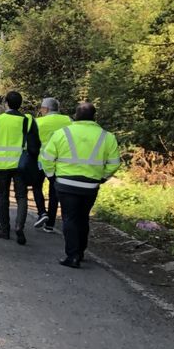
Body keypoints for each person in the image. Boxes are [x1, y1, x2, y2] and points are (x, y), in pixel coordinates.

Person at [39, 102, 121, 268]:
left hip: (65, 183)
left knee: (69, 217)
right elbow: (114, 163)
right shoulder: (107, 137)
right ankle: (81, 251)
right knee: (83, 217)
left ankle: (72, 255)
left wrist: (51, 176)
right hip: (90, 185)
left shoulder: (62, 133)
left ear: (75, 116)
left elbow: (47, 158)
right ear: (93, 116)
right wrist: (103, 177)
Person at [0, 91, 42, 245]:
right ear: (20, 104)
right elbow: (35, 144)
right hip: (20, 165)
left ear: (7, 104)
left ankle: (4, 229)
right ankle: (19, 225)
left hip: (1, 164)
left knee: (3, 197)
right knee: (21, 196)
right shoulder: (28, 120)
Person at [33, 97, 71, 233]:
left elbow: (33, 142)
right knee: (53, 191)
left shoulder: (38, 122)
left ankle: (42, 212)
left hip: (41, 160)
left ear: (46, 109)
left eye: (42, 109)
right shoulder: (68, 121)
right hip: (60, 161)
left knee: (37, 186)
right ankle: (50, 224)